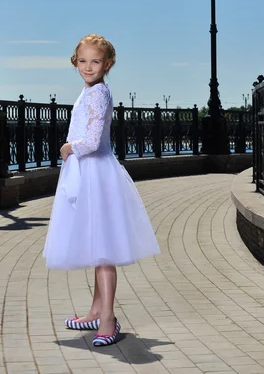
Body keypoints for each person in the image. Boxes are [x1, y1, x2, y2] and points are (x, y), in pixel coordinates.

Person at [43, 33, 160, 347]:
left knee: (104, 251)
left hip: (95, 172)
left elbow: (93, 141)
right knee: (98, 246)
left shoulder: (98, 94)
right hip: (91, 172)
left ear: (108, 64)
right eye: (83, 61)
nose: (88, 66)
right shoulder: (90, 92)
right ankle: (96, 310)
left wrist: (68, 148)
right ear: (75, 62)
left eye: (95, 61)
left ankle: (107, 319)